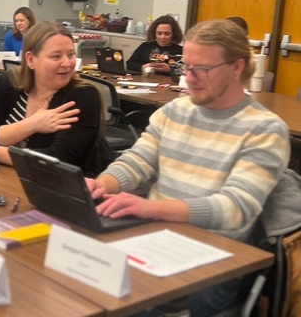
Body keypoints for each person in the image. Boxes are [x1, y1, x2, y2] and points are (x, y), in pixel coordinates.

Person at [87, 19, 290, 315]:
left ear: (236, 68)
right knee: (83, 276)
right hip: (156, 236)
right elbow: (139, 160)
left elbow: (235, 208)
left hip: (216, 253)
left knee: (122, 301)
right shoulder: (174, 111)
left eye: (202, 69)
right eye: (185, 67)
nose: (189, 78)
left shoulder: (265, 129)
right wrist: (104, 184)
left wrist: (151, 209)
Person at [0, 20, 112, 177]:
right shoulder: (11, 83)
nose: (67, 63)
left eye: (70, 55)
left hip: (60, 189)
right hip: (9, 178)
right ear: (30, 60)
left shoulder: (83, 96)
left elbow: (57, 160)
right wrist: (32, 124)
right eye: (56, 56)